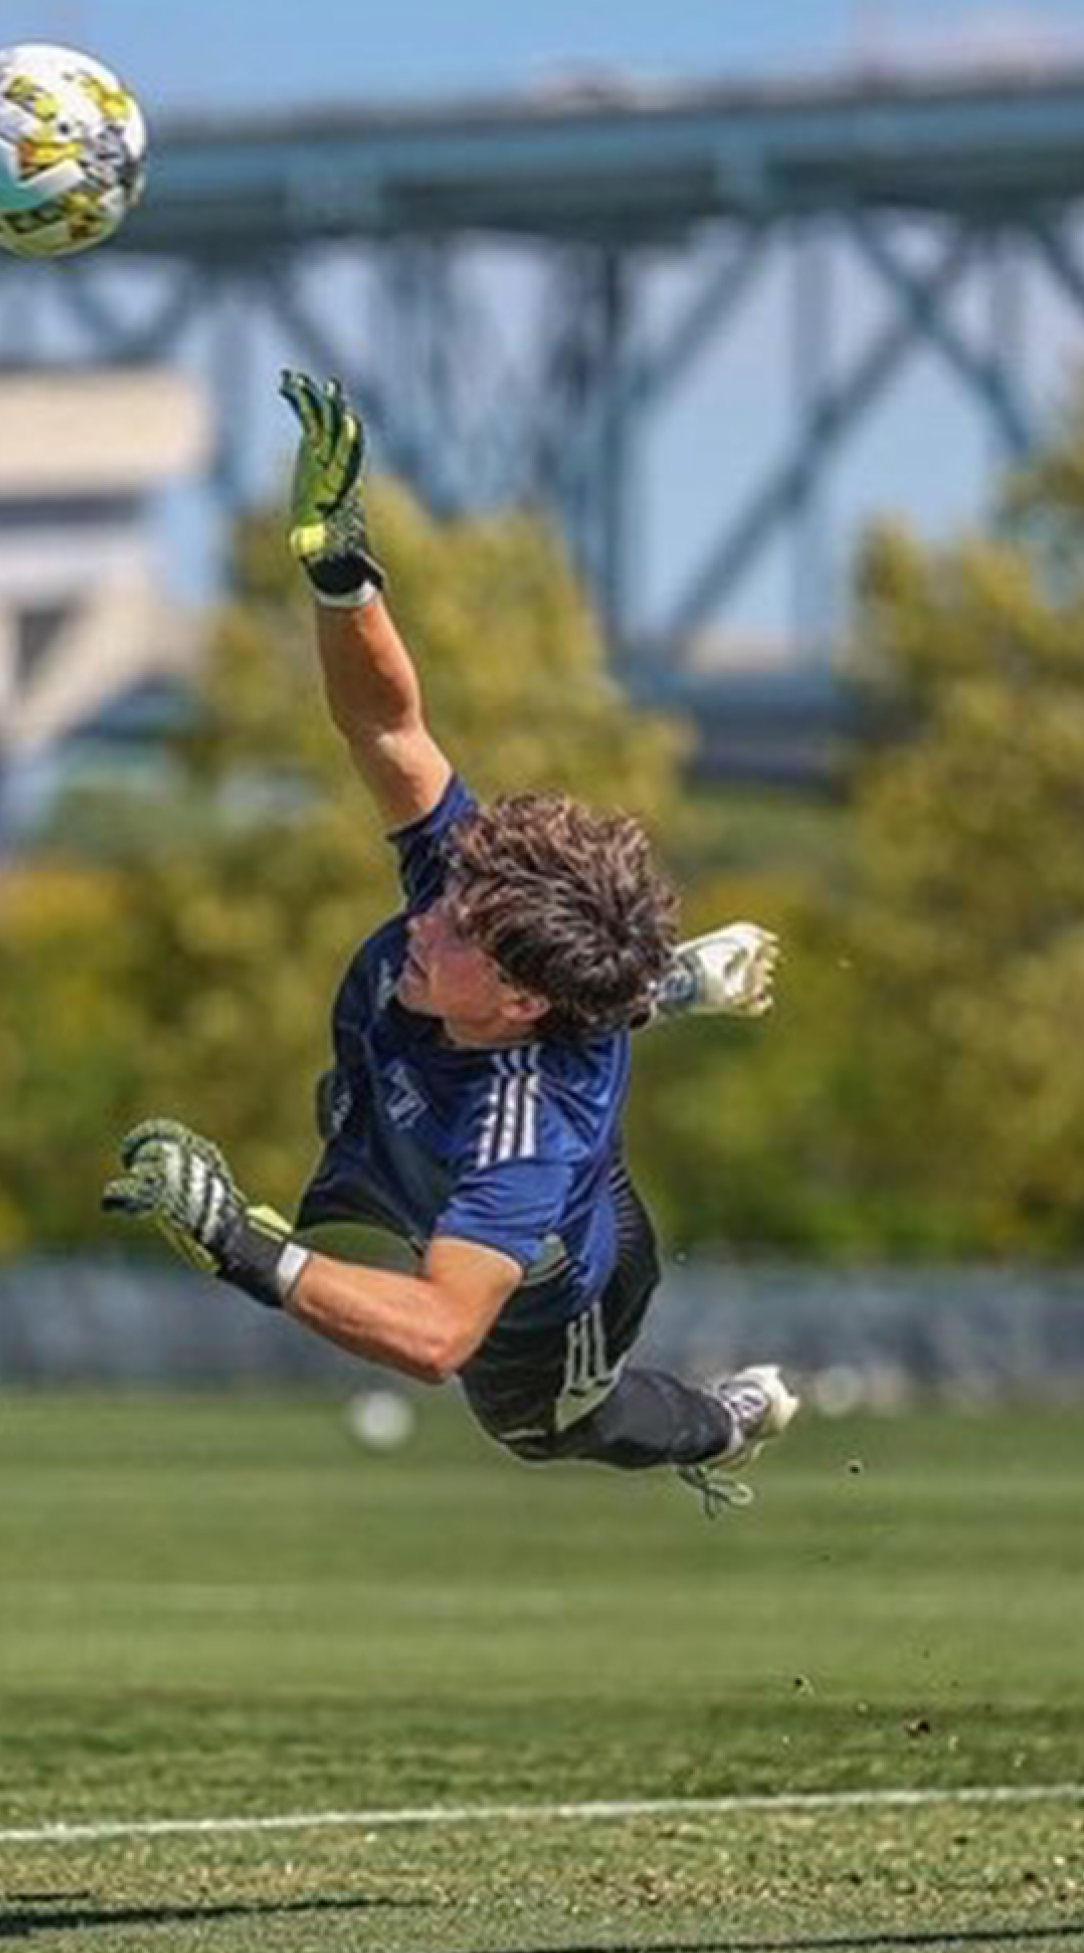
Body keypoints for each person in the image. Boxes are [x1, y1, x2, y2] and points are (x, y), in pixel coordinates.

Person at [100, 369, 798, 1515]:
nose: (424, 910)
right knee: (429, 1059)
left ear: (523, 997)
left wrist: (238, 1243)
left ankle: (725, 1421)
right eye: (447, 893)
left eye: (459, 927)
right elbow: (386, 720)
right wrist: (340, 575)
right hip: (424, 1104)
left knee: (546, 1427)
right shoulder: (477, 889)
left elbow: (434, 1332)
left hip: (556, 1289)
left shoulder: (525, 1132)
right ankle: (660, 983)